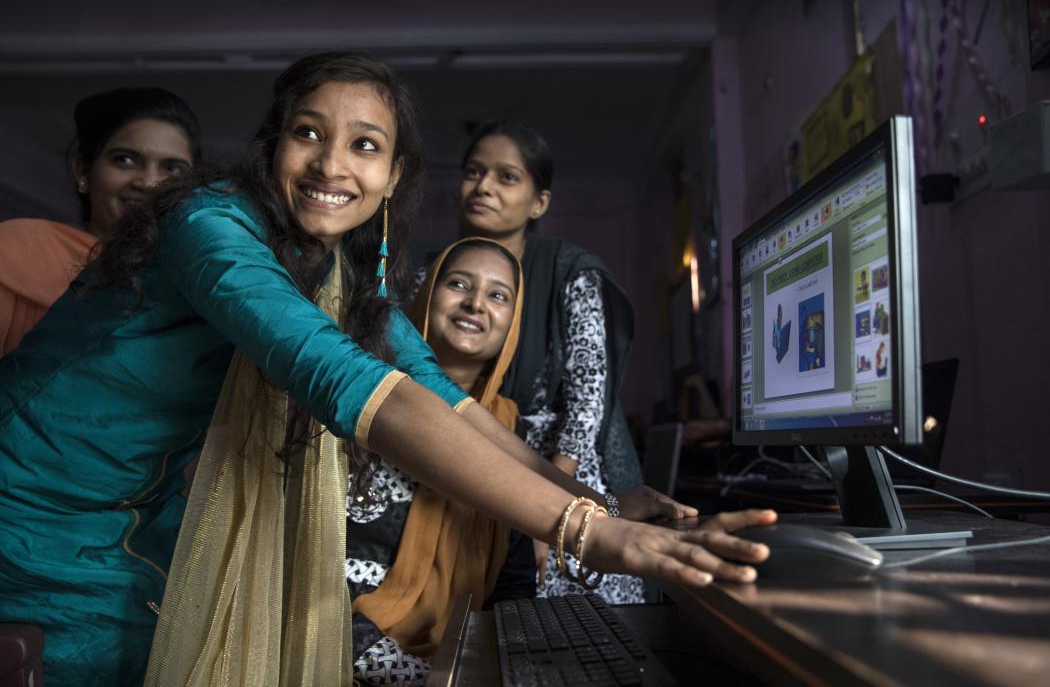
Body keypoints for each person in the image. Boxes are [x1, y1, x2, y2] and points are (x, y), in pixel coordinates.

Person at [0, 53, 774, 687]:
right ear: (273, 145)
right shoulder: (211, 228)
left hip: (137, 530)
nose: (331, 164)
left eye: (365, 145)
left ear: (396, 174)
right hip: (36, 514)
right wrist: (591, 536)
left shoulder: (342, 271)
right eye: (308, 133)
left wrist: (593, 503)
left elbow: (442, 398)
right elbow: (347, 382)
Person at [451, 120, 647, 603]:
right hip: (471, 470)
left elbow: (585, 405)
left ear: (539, 202)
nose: (484, 187)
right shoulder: (440, 275)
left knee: (570, 633)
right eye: (474, 172)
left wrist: (548, 510)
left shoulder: (569, 272)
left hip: (562, 476)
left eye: (506, 177)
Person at [345, 237, 524, 674]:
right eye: (459, 284)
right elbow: (300, 562)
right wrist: (410, 675)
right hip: (334, 646)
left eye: (498, 295)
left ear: (513, 324)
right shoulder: (358, 400)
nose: (475, 304)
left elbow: (514, 585)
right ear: (428, 295)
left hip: (453, 660)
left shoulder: (509, 434)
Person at [0, 87, 200, 355]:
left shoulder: (199, 273)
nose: (150, 183)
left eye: (172, 168)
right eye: (125, 160)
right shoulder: (16, 248)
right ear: (83, 170)